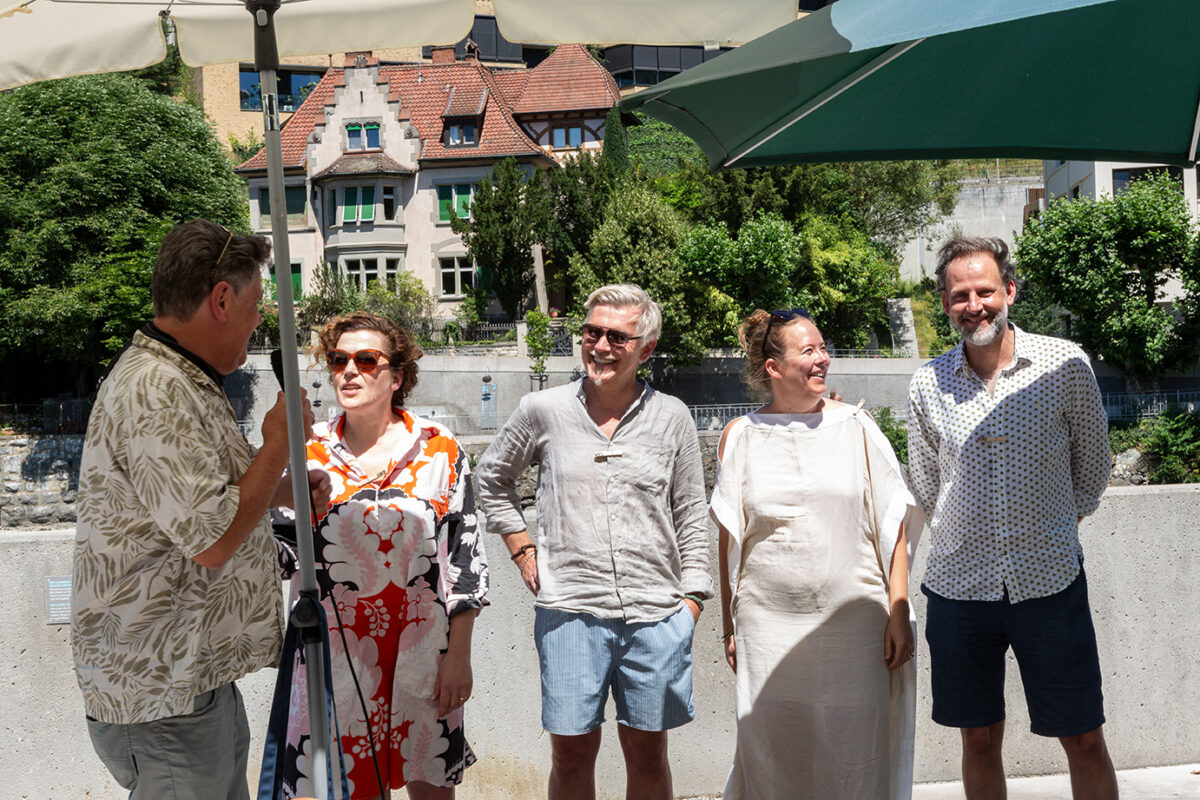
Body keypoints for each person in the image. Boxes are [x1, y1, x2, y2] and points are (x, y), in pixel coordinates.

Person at [72, 219, 323, 800]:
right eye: (255, 306)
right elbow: (211, 541)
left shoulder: (179, 377)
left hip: (189, 681)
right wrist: (278, 446)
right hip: (165, 693)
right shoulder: (155, 387)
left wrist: (280, 490)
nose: (258, 322)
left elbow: (202, 498)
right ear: (221, 299)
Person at [476, 284, 711, 800]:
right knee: (571, 755)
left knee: (648, 755)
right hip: (570, 612)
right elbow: (490, 478)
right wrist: (522, 548)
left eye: (617, 337)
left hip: (656, 615)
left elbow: (692, 513)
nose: (600, 346)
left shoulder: (672, 416)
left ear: (646, 349)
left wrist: (693, 599)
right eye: (592, 332)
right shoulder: (543, 409)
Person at [906, 236, 1117, 800]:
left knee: (1084, 737)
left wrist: (1053, 529)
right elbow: (926, 485)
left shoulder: (1064, 365)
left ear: (1010, 291)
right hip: (959, 590)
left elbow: (1093, 467)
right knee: (977, 739)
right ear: (945, 303)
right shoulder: (928, 382)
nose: (974, 305)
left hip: (1049, 583)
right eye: (960, 295)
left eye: (985, 291)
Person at [710, 308, 921, 800]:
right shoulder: (739, 435)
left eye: (823, 348)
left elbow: (892, 520)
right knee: (774, 758)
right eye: (808, 351)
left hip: (856, 629)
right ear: (774, 367)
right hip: (767, 628)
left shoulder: (857, 426)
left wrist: (899, 609)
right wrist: (729, 626)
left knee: (854, 757)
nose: (823, 358)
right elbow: (729, 539)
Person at [277, 311, 488, 800]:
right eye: (338, 360)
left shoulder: (439, 449)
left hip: (424, 651)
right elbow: (279, 556)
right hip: (331, 656)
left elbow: (465, 558)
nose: (349, 371)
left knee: (430, 786)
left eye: (367, 360)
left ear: (396, 377)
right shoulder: (306, 451)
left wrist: (459, 655)